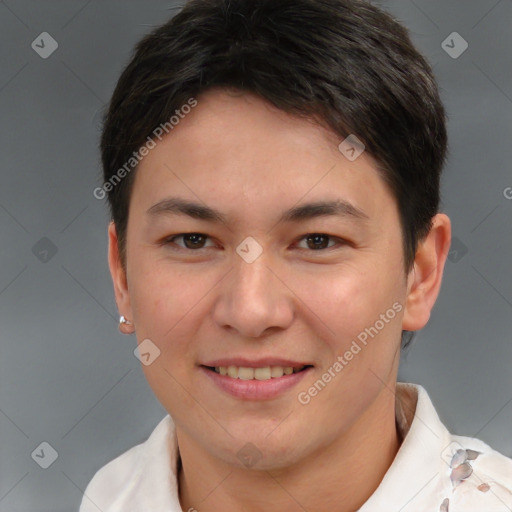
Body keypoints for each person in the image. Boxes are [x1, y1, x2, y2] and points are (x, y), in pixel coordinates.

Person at [81, 0, 512, 510]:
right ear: (122, 275)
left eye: (318, 241)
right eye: (193, 240)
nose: (250, 311)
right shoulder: (108, 497)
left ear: (420, 274)